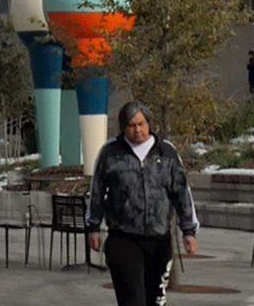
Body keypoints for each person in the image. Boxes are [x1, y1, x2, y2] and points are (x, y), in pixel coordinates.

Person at [86, 101, 200, 306]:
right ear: (123, 127)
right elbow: (96, 191)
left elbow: (182, 192)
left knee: (154, 300)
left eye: (141, 124)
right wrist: (93, 226)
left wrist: (188, 231)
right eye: (131, 125)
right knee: (132, 298)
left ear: (149, 124)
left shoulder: (166, 152)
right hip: (123, 238)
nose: (137, 130)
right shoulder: (110, 153)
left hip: (158, 239)